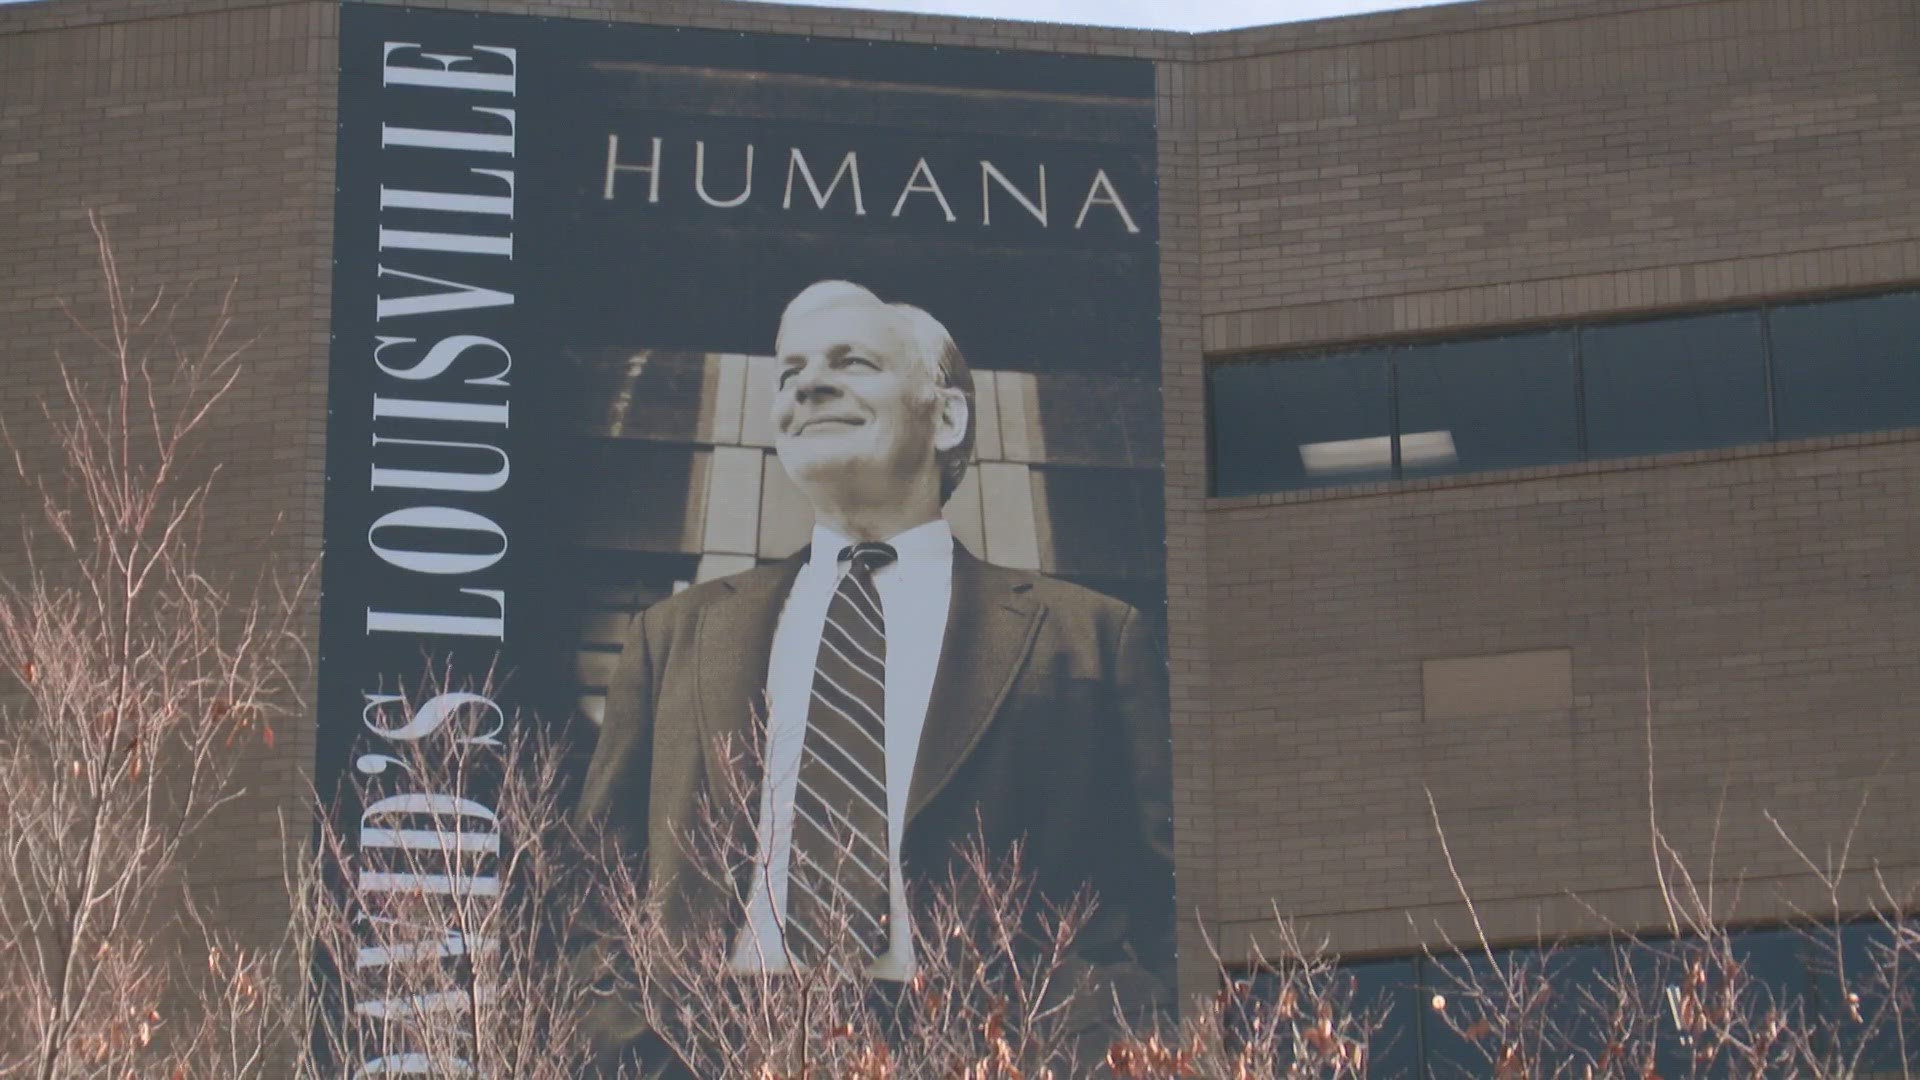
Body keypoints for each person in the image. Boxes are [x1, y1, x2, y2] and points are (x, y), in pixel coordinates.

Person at [573, 279, 1173, 1068]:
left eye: (851, 362)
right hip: (715, 1051)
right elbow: (590, 889)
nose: (809, 384)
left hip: (993, 1049)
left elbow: (1169, 895)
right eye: (790, 373)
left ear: (947, 413)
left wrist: (1095, 1044)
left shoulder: (1090, 638)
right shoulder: (672, 638)